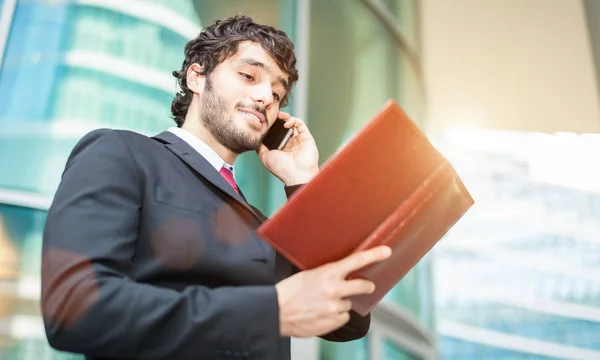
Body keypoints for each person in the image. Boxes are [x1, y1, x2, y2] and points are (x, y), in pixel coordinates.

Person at [41, 15, 391, 360]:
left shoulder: (262, 224)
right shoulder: (122, 153)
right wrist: (269, 312)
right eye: (249, 75)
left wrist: (303, 183)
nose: (266, 96)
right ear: (197, 76)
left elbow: (350, 318)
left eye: (277, 92)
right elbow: (74, 305)